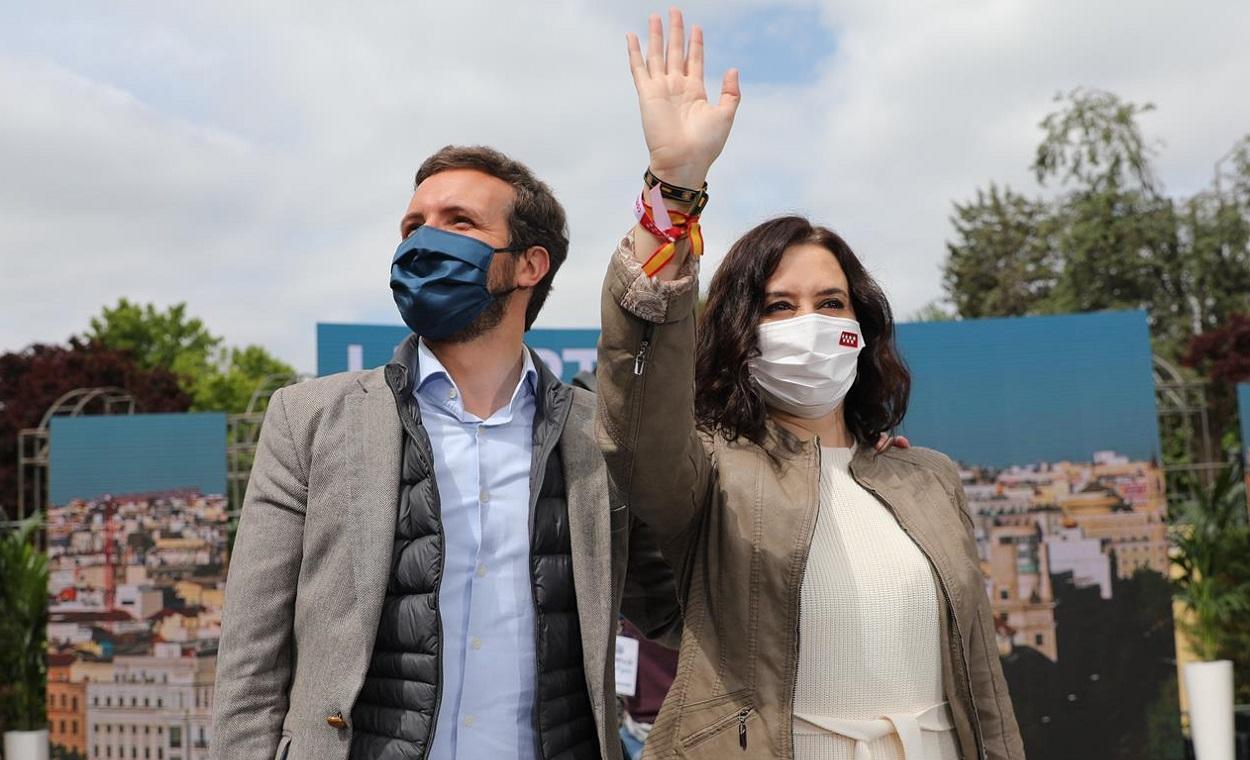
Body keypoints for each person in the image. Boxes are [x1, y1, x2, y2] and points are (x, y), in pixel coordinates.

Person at [595, 9, 1026, 760]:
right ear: (738, 333)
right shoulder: (708, 474)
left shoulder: (929, 477)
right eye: (779, 306)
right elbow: (638, 425)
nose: (811, 323)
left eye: (831, 303)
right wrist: (674, 190)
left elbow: (982, 685)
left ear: (865, 327)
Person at [212, 145, 680, 760]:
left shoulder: (601, 436)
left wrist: (677, 187)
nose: (423, 241)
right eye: (413, 226)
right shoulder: (310, 420)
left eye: (459, 222)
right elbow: (251, 663)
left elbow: (680, 607)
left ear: (528, 265)